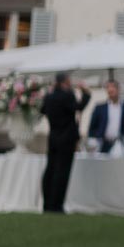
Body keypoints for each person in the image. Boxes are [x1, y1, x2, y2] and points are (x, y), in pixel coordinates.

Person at [39, 72, 87, 213]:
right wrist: (86, 95)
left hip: (53, 137)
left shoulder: (50, 96)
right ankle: (56, 204)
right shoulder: (67, 95)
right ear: (65, 82)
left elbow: (42, 110)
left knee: (50, 170)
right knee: (62, 172)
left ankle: (47, 203)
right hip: (66, 139)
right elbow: (78, 107)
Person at [86, 79, 124, 155]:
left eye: (113, 87)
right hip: (102, 144)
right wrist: (93, 141)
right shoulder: (99, 107)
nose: (110, 90)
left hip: (120, 144)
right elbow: (92, 127)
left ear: (119, 89)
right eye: (108, 88)